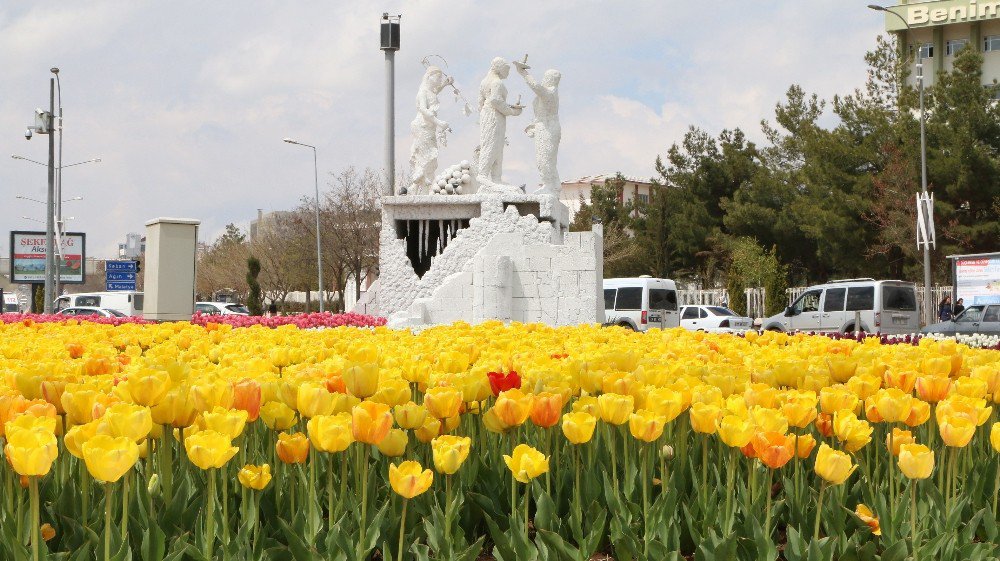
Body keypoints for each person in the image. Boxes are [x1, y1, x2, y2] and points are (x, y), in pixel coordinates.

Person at [515, 64, 561, 195]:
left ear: (550, 79)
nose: (543, 79)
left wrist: (523, 73)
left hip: (548, 128)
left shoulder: (550, 92)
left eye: (546, 77)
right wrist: (534, 126)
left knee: (545, 158)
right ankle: (554, 184)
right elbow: (541, 114)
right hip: (543, 126)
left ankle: (549, 184)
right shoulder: (548, 93)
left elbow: (536, 87)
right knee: (544, 157)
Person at [477, 57, 522, 190]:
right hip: (494, 116)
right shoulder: (497, 82)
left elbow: (481, 102)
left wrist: (510, 107)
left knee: (496, 145)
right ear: (499, 67)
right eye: (507, 69)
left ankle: (496, 177)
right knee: (492, 144)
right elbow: (496, 101)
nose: (508, 73)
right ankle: (483, 174)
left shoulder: (484, 82)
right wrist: (512, 112)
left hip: (488, 114)